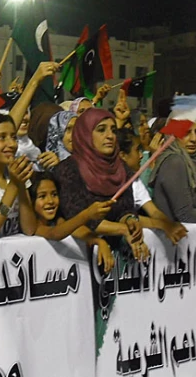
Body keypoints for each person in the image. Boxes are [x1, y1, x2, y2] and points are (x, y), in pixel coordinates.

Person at [53, 107, 150, 261]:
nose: (110, 136)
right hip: (77, 260)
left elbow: (125, 208)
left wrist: (131, 221)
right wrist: (123, 229)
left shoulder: (121, 168)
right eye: (101, 130)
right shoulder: (67, 171)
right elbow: (78, 218)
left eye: (113, 130)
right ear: (85, 134)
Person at [29, 171, 115, 273]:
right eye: (42, 196)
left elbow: (74, 229)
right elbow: (54, 233)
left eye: (54, 194)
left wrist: (98, 241)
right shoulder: (33, 227)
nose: (50, 201)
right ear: (31, 199)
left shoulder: (58, 219)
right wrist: (87, 214)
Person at [117, 129, 189, 243]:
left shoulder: (134, 181)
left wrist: (170, 225)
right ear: (123, 155)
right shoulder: (109, 182)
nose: (141, 156)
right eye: (137, 150)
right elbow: (123, 218)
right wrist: (164, 226)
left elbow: (154, 211)